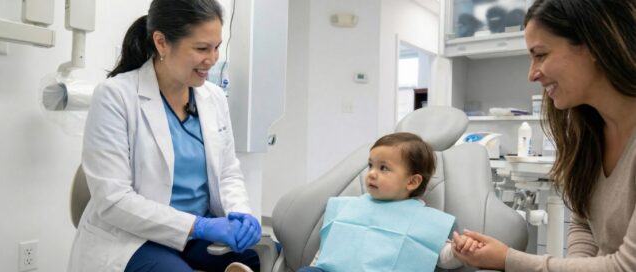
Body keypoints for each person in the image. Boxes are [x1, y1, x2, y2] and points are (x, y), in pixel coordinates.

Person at [67, 0, 261, 271]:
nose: (213, 59)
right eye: (201, 48)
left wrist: (240, 213)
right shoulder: (115, 96)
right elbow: (113, 200)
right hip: (134, 236)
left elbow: (228, 171)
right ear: (161, 43)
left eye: (216, 47)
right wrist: (200, 226)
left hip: (193, 235)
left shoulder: (214, 98)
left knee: (258, 256)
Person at [451, 0, 636, 271]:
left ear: (594, 45)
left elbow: (626, 267)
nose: (532, 74)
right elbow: (584, 223)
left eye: (540, 54)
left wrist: (507, 259)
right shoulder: (590, 133)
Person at [297, 132, 481, 272]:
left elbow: (442, 258)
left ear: (412, 182)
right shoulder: (348, 208)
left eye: (383, 168)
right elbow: (329, 248)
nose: (372, 173)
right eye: (371, 165)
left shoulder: (425, 221)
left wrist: (459, 251)